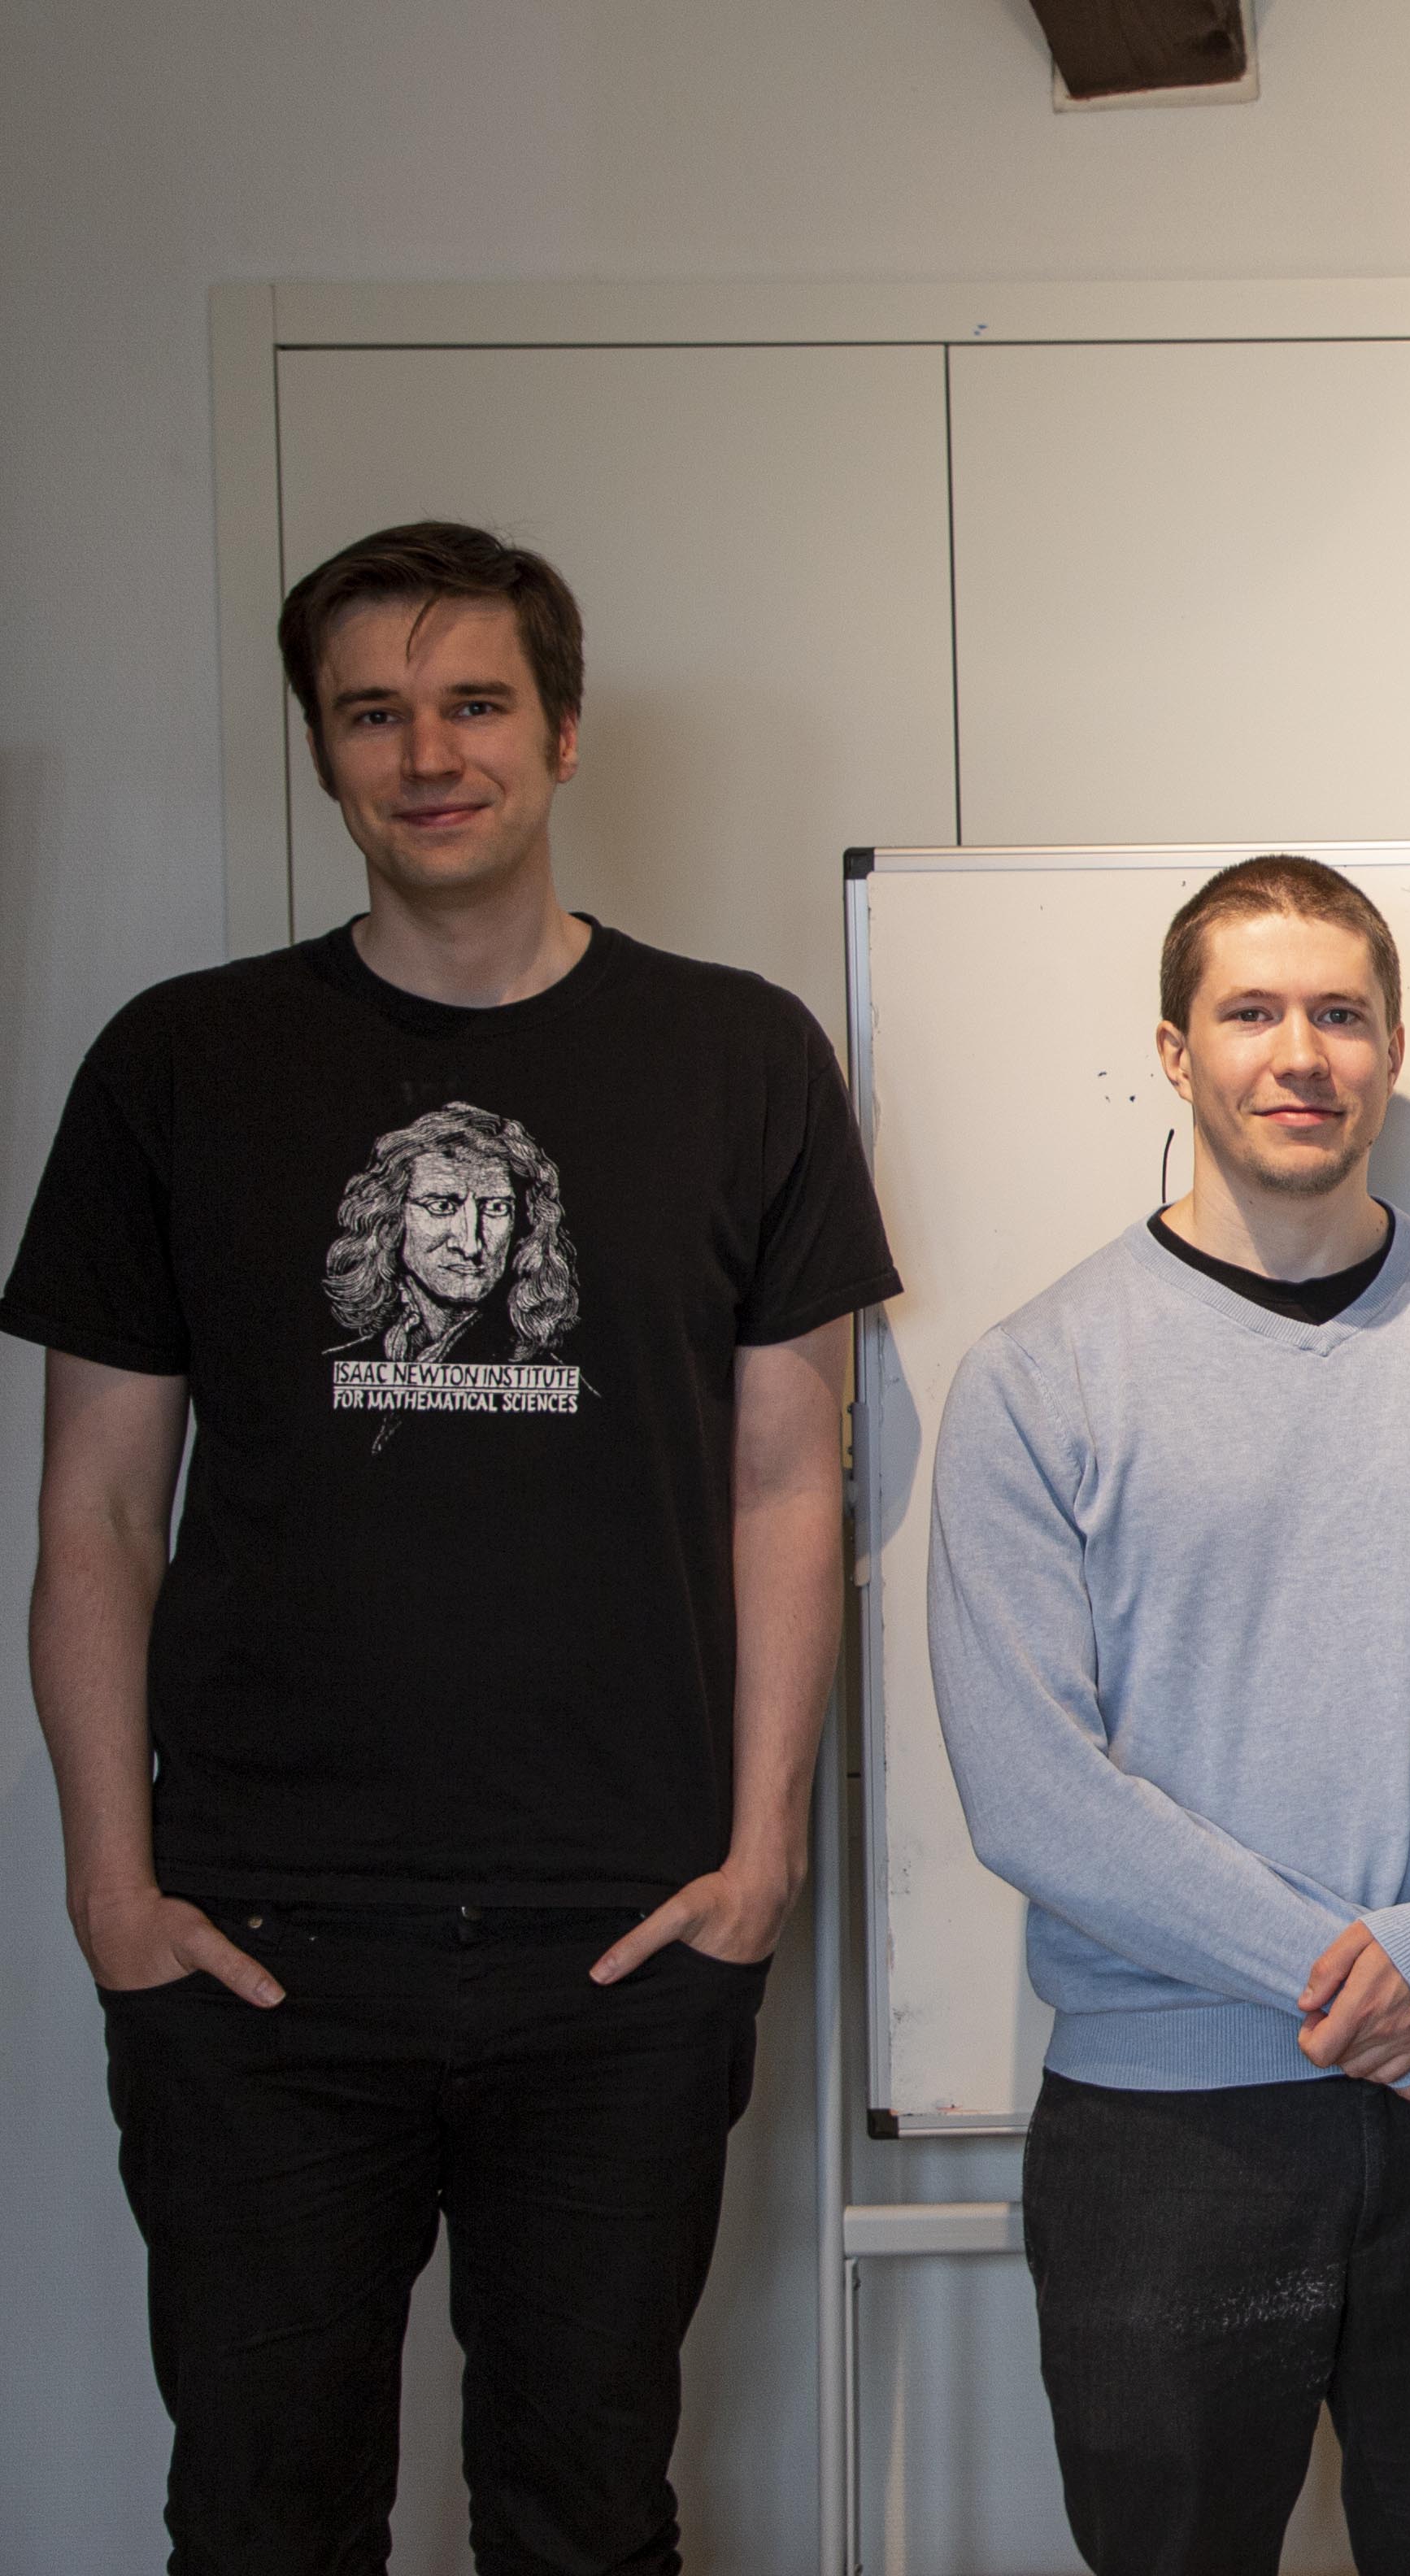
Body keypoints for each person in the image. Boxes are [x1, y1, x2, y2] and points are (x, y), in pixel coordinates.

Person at [11, 520, 899, 2573]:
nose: (431, 751)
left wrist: (761, 1857)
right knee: (260, 2515)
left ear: (563, 733)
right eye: (374, 714)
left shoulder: (740, 1054)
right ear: (324, 757)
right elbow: (96, 1508)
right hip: (257, 1946)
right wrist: (111, 1890)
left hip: (625, 1941)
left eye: (476, 701)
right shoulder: (181, 1063)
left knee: (585, 2515)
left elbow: (794, 1479)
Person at [926, 854, 1410, 2576]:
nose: (1298, 1052)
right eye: (1251, 1012)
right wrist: (1382, 1991)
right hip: (1174, 2135)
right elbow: (1036, 1790)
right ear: (1174, 1053)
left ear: (1390, 1051)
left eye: (1338, 1014)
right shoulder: (1042, 1376)